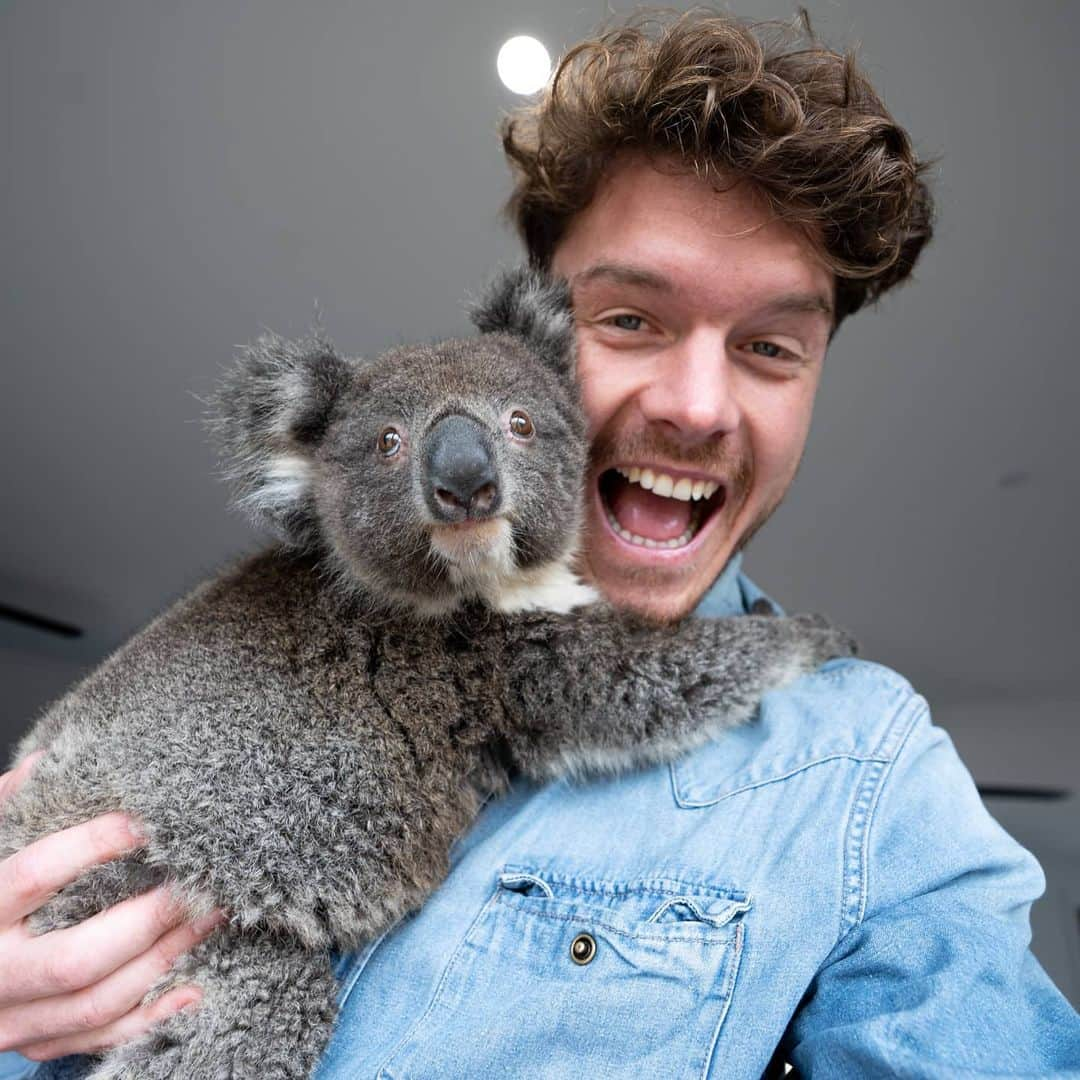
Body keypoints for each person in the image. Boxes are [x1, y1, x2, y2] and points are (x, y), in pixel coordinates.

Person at [1, 10, 1078, 1078]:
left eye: (769, 346)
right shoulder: (265, 617)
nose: (698, 407)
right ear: (540, 344)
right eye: (630, 321)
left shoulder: (865, 774)